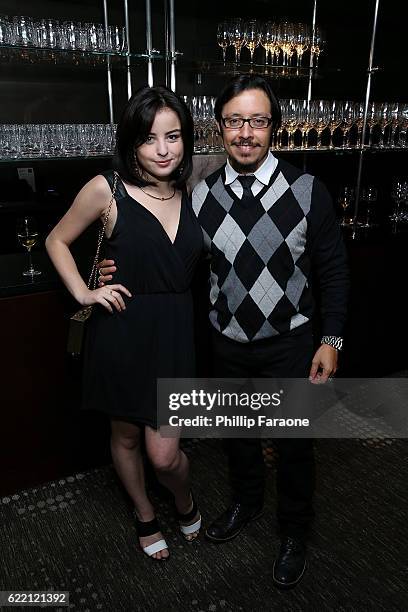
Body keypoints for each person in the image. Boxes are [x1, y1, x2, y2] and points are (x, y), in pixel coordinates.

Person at [99, 75, 349, 587]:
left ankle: (295, 532)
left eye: (257, 121)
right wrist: (108, 268)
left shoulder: (308, 191)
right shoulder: (201, 194)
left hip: (291, 344)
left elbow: (335, 272)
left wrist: (333, 339)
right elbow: (163, 248)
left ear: (274, 127)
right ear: (220, 127)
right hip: (227, 341)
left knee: (295, 445)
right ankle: (247, 504)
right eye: (235, 120)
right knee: (238, 437)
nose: (245, 132)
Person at [46, 86, 203, 561]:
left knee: (165, 455)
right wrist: (85, 289)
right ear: (132, 142)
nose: (162, 149)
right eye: (149, 137)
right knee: (126, 436)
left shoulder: (195, 190)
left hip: (175, 333)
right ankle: (144, 513)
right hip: (122, 329)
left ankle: (183, 498)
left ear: (186, 140)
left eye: (173, 136)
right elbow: (56, 239)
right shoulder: (107, 190)